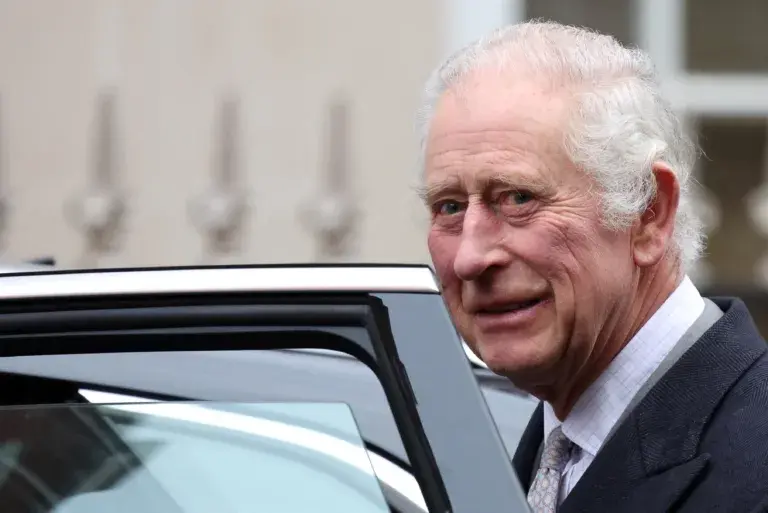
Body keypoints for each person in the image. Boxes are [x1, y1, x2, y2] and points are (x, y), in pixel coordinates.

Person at [418, 20, 768, 513]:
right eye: (450, 207)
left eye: (518, 198)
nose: (470, 257)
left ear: (648, 213)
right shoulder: (540, 450)